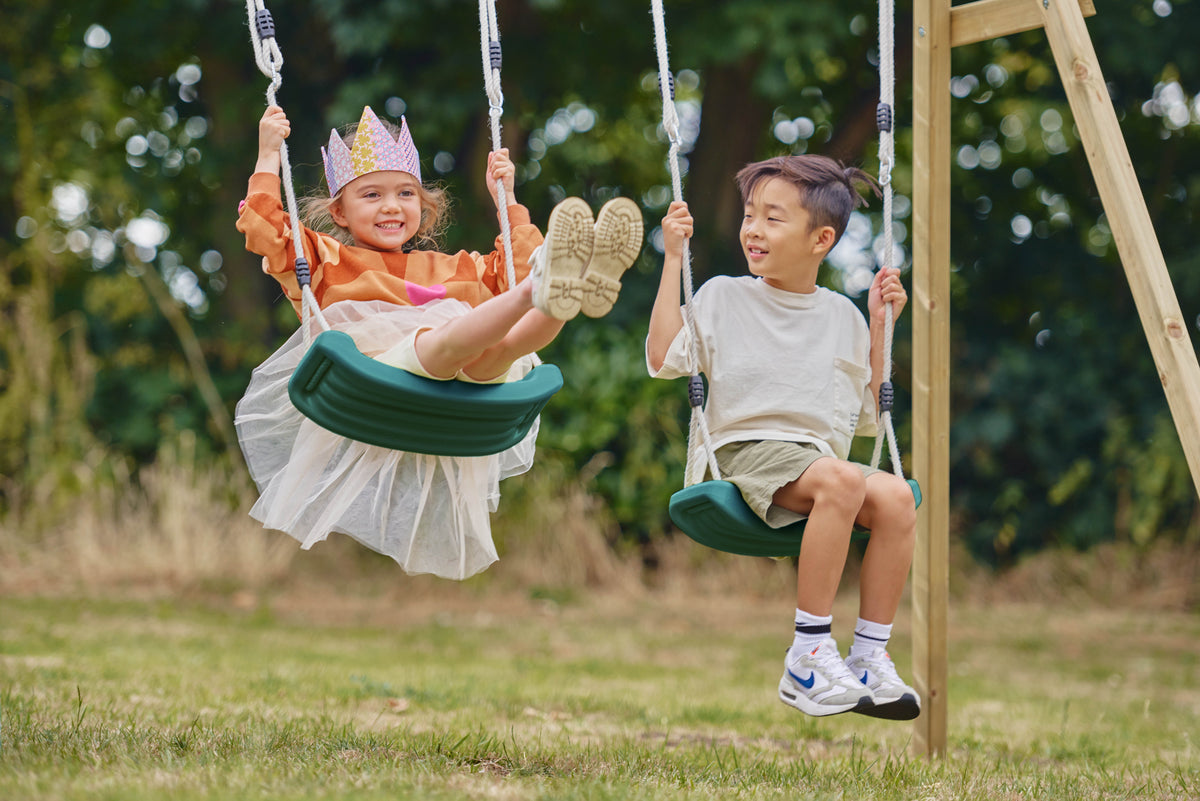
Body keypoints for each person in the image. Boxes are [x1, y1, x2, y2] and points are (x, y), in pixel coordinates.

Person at [235, 104, 642, 580]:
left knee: (505, 348)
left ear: (424, 209)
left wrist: (507, 198)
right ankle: (544, 291)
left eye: (406, 193)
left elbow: (520, 261)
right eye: (372, 194)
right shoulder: (325, 259)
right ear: (339, 212)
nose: (392, 205)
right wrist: (267, 156)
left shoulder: (454, 269)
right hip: (379, 371)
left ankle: (561, 298)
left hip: (461, 376)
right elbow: (264, 229)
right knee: (445, 338)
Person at [646, 155, 919, 720]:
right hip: (743, 453)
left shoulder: (842, 315)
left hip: (817, 464)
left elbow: (868, 413)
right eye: (750, 215)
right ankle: (809, 654)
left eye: (773, 218)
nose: (753, 229)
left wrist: (879, 325)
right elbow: (660, 356)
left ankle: (868, 655)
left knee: (895, 496)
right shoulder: (724, 295)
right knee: (842, 479)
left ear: (821, 239)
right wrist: (674, 259)